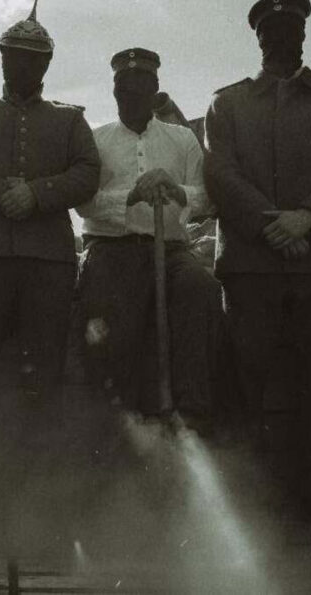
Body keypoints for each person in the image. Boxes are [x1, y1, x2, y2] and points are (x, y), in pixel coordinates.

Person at [0, 0, 100, 552]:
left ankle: (43, 511)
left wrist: (38, 194)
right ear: (1, 58)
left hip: (47, 267)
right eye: (15, 56)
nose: (23, 66)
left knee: (43, 381)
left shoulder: (70, 120)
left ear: (46, 65)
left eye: (34, 58)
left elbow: (88, 173)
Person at [203, 0, 311, 503]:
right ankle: (246, 497)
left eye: (291, 32)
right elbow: (221, 173)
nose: (281, 42)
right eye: (270, 34)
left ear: (303, 36)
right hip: (251, 266)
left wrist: (307, 219)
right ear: (258, 40)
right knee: (243, 376)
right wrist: (271, 226)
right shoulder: (226, 103)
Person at [76, 48, 222, 428]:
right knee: (108, 307)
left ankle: (192, 413)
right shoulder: (96, 140)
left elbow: (206, 198)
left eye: (141, 88)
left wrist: (176, 190)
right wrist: (130, 196)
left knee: (201, 288)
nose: (132, 96)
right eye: (124, 88)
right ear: (114, 92)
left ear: (155, 90)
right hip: (111, 247)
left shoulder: (182, 139)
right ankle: (116, 422)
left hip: (170, 249)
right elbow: (84, 204)